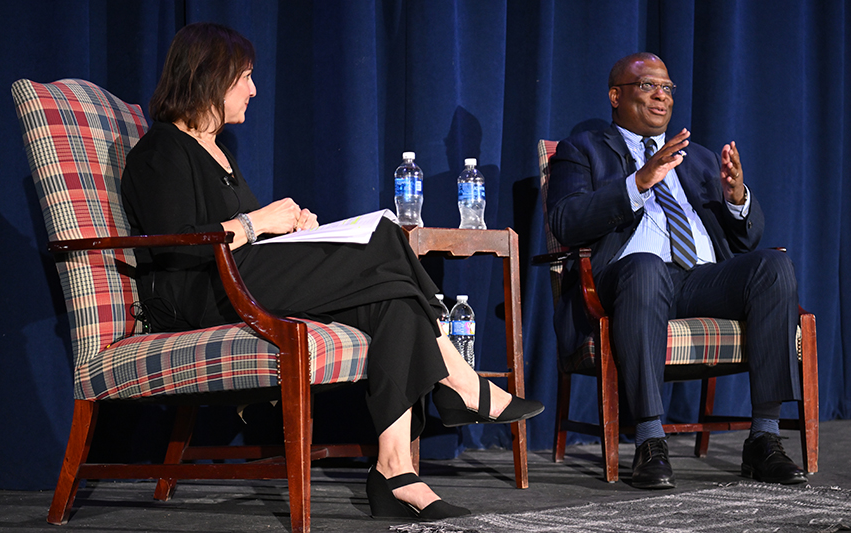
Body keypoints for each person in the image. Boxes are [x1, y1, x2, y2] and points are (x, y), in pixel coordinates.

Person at [121, 22, 543, 520]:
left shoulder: (219, 151)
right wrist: (257, 221)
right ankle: (460, 380)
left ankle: (395, 472)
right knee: (386, 239)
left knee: (392, 299)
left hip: (239, 278)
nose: (254, 89)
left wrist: (293, 231)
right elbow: (178, 244)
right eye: (246, 77)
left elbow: (243, 237)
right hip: (197, 294)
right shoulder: (159, 149)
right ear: (210, 76)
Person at [546, 52, 806, 489]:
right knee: (646, 266)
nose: (661, 96)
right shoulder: (583, 149)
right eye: (648, 85)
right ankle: (650, 440)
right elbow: (565, 221)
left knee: (774, 266)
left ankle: (764, 438)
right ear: (616, 95)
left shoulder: (699, 158)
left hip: (700, 280)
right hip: (626, 280)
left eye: (667, 88)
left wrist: (736, 195)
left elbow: (746, 241)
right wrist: (639, 181)